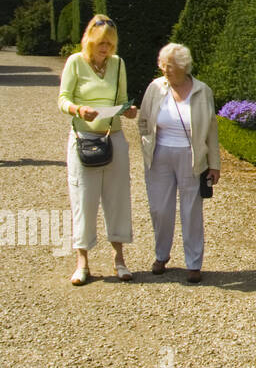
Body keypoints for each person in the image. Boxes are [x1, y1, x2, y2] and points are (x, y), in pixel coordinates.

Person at [58, 15, 139, 285]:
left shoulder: (118, 64)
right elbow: (62, 99)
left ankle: (119, 258)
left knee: (118, 197)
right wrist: (79, 109)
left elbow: (120, 99)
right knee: (84, 199)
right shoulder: (75, 62)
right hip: (83, 136)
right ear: (89, 40)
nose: (106, 48)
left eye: (110, 43)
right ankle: (82, 261)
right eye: (101, 42)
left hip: (112, 135)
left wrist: (128, 111)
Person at [137, 42, 219, 284]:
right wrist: (145, 143)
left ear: (183, 66)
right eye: (162, 65)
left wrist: (214, 164)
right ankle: (161, 255)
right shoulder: (155, 87)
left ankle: (194, 263)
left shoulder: (203, 91)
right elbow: (143, 119)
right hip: (159, 154)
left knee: (191, 210)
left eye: (170, 66)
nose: (165, 70)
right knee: (160, 209)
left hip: (191, 156)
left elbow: (212, 130)